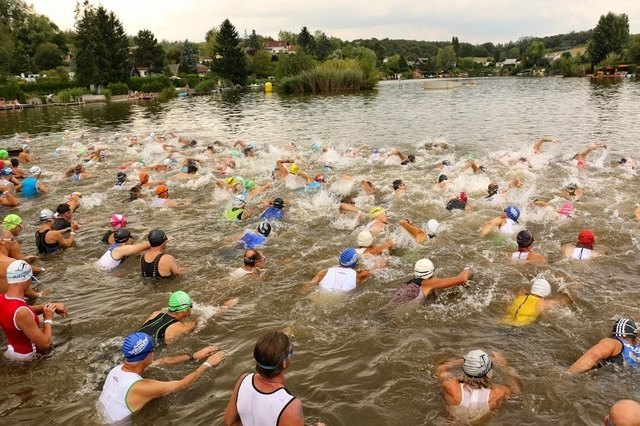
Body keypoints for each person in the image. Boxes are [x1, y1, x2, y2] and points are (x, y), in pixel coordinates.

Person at [97, 332, 225, 424]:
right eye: (152, 350)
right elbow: (182, 384)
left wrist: (193, 356)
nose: (154, 353)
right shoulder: (142, 387)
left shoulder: (116, 369)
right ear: (147, 355)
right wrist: (207, 364)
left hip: (100, 417)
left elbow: (162, 361)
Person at [224, 330, 304, 426]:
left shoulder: (243, 379)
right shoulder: (291, 406)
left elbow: (230, 422)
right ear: (284, 363)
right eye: (290, 353)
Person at [0, 260, 68, 361]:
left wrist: (50, 307)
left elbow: (24, 311)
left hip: (12, 353)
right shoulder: (22, 312)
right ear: (26, 280)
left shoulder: (3, 299)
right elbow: (45, 345)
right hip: (28, 358)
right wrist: (48, 319)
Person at [436, 350, 521, 420]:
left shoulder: (450, 386)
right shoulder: (498, 393)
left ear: (464, 368)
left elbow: (441, 368)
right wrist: (503, 366)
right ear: (488, 370)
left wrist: (464, 360)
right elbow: (516, 391)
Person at [568, 317, 640, 373]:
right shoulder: (637, 349)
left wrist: (568, 374)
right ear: (634, 338)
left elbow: (595, 354)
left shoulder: (614, 343)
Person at [393, 259, 472, 305]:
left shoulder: (408, 284)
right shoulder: (428, 283)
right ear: (432, 272)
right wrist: (468, 269)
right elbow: (462, 279)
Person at [502, 278, 571, 326]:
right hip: (519, 328)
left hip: (502, 323)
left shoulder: (520, 296)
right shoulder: (542, 303)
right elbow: (564, 301)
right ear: (546, 293)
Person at [306, 248, 374, 292]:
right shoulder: (359, 275)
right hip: (340, 300)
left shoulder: (323, 273)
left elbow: (306, 287)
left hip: (318, 296)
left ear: (339, 260)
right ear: (355, 261)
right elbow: (377, 268)